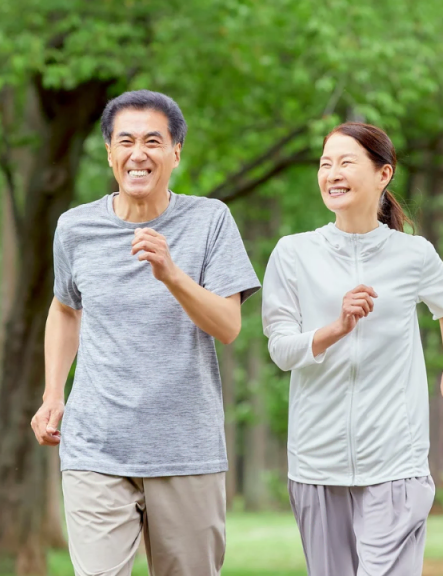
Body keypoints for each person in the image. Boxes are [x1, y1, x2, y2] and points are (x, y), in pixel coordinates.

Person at [29, 90, 260, 576]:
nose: (139, 153)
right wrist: (53, 393)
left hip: (186, 448)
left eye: (153, 141)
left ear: (176, 152)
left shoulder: (210, 220)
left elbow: (228, 325)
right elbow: (65, 309)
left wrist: (173, 275)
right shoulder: (75, 228)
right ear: (109, 153)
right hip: (96, 444)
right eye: (125, 141)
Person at [261, 122, 443, 576]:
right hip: (317, 461)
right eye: (325, 164)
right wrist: (336, 328)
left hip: (396, 458)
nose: (332, 173)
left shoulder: (413, 255)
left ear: (384, 174)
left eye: (346, 162)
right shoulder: (293, 254)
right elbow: (280, 349)